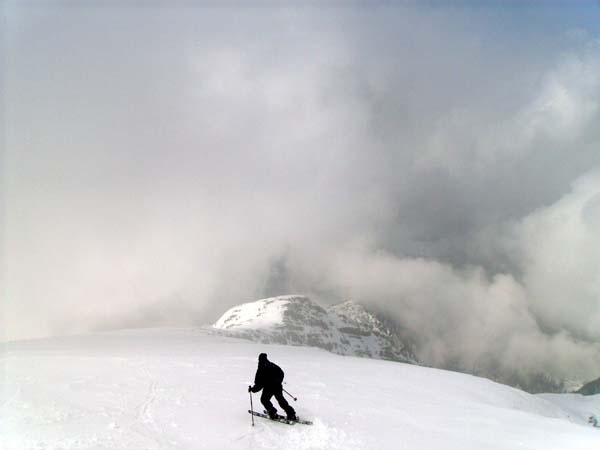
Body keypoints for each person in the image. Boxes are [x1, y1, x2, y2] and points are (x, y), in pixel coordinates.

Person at [248, 353, 296, 420]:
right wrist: (278, 381)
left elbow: (259, 383)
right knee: (280, 400)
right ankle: (291, 413)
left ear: (259, 360)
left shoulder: (261, 369)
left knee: (264, 400)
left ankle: (272, 412)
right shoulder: (272, 365)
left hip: (269, 388)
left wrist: (253, 389)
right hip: (277, 386)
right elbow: (281, 373)